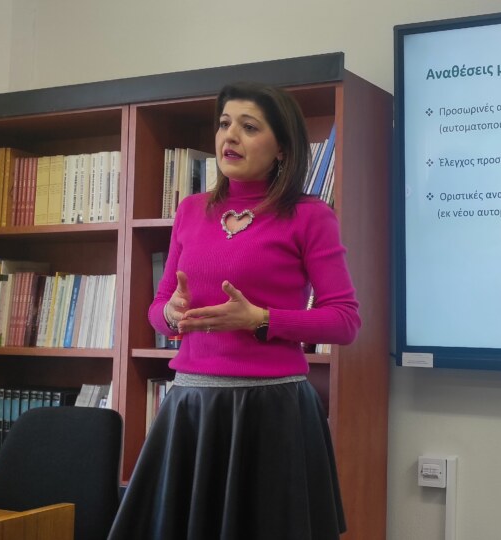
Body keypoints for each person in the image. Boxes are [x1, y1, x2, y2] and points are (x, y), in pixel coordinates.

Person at [108, 82, 360, 539]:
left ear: (282, 148)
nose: (230, 136)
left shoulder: (310, 216)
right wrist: (172, 314)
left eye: (249, 127)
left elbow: (344, 321)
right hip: (192, 407)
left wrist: (261, 320)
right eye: (225, 124)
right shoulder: (190, 211)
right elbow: (158, 308)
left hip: (272, 411)